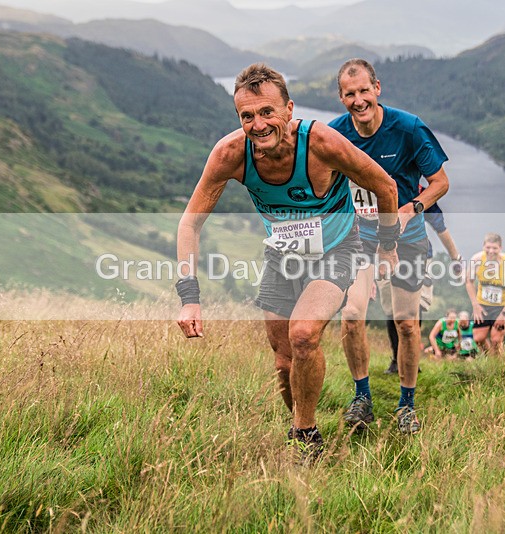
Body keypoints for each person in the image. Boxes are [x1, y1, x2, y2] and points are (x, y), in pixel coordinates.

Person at [175, 63, 399, 461]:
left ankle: (306, 437)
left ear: (289, 110)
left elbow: (385, 185)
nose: (258, 125)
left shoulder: (322, 144)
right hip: (282, 256)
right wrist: (189, 297)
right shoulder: (231, 153)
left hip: (337, 249)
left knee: (303, 335)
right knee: (283, 363)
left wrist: (386, 245)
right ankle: (301, 420)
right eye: (247, 116)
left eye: (267, 112)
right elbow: (190, 224)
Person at [329, 58, 450, 435]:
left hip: (408, 240)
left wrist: (410, 209)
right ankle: (362, 398)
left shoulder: (409, 128)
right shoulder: (333, 135)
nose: (358, 100)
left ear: (377, 88)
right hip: (358, 240)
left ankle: (406, 406)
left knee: (407, 325)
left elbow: (440, 183)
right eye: (350, 94)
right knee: (351, 315)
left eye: (364, 91)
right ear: (341, 97)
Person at [384, 187, 463, 374]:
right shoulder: (381, 187)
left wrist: (455, 258)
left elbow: (440, 227)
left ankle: (410, 360)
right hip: (388, 254)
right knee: (391, 308)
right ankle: (397, 359)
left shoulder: (420, 193)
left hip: (419, 256)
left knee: (415, 308)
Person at [465, 232, 505, 354]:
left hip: (503, 305)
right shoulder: (477, 260)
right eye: (488, 247)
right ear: (483, 246)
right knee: (478, 339)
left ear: (500, 248)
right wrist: (475, 305)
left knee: (496, 340)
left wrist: (504, 314)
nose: (491, 251)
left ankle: (499, 365)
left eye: (494, 248)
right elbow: (469, 281)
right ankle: (491, 359)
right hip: (483, 304)